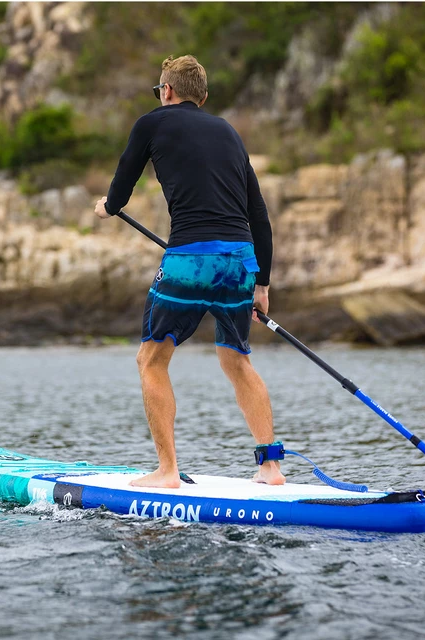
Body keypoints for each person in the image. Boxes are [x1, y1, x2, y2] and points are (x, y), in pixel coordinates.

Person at [94, 55, 285, 488]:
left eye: (159, 91)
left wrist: (106, 207)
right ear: (202, 97)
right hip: (240, 263)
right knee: (237, 360)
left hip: (189, 259)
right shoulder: (230, 133)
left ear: (167, 91)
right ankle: (270, 467)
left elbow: (120, 191)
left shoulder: (152, 123)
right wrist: (262, 284)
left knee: (152, 358)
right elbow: (259, 214)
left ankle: (168, 471)